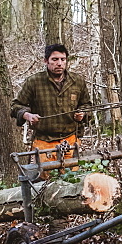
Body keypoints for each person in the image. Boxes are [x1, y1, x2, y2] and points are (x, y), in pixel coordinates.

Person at [11, 44, 93, 172]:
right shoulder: (34, 82)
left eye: (63, 59)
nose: (59, 63)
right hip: (44, 141)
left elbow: (87, 105)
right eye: (55, 59)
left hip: (70, 140)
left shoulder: (77, 81)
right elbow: (16, 106)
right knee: (44, 178)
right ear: (46, 61)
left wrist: (83, 114)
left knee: (71, 178)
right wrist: (28, 115)